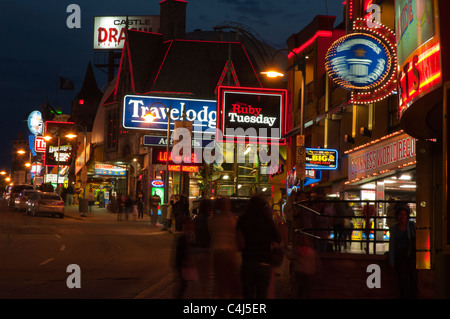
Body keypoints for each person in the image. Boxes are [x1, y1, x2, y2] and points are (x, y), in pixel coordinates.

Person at [236, 195, 281, 299]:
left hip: (248, 261)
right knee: (262, 294)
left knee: (247, 294)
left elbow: (239, 242)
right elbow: (278, 239)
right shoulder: (268, 221)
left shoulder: (242, 220)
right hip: (264, 261)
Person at [208, 196, 241, 298]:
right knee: (233, 280)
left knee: (220, 281)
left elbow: (211, 234)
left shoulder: (213, 219)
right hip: (229, 251)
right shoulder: (231, 218)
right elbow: (237, 234)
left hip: (217, 252)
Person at [389, 205, 417, 299]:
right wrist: (392, 261)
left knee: (413, 279)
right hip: (400, 255)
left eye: (404, 214)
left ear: (407, 216)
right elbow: (392, 245)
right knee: (402, 279)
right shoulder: (394, 229)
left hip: (411, 255)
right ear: (397, 216)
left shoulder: (412, 225)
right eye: (401, 214)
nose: (403, 216)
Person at [191, 198, 213, 298]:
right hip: (207, 250)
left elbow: (192, 235)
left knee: (198, 277)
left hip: (197, 250)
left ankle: (199, 294)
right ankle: (203, 295)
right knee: (205, 277)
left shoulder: (196, 219)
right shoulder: (210, 219)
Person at [173, 218, 197, 299]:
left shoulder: (190, 236)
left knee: (185, 284)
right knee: (184, 284)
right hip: (183, 264)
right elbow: (182, 251)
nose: (192, 226)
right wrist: (184, 261)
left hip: (185, 264)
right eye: (189, 224)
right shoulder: (184, 237)